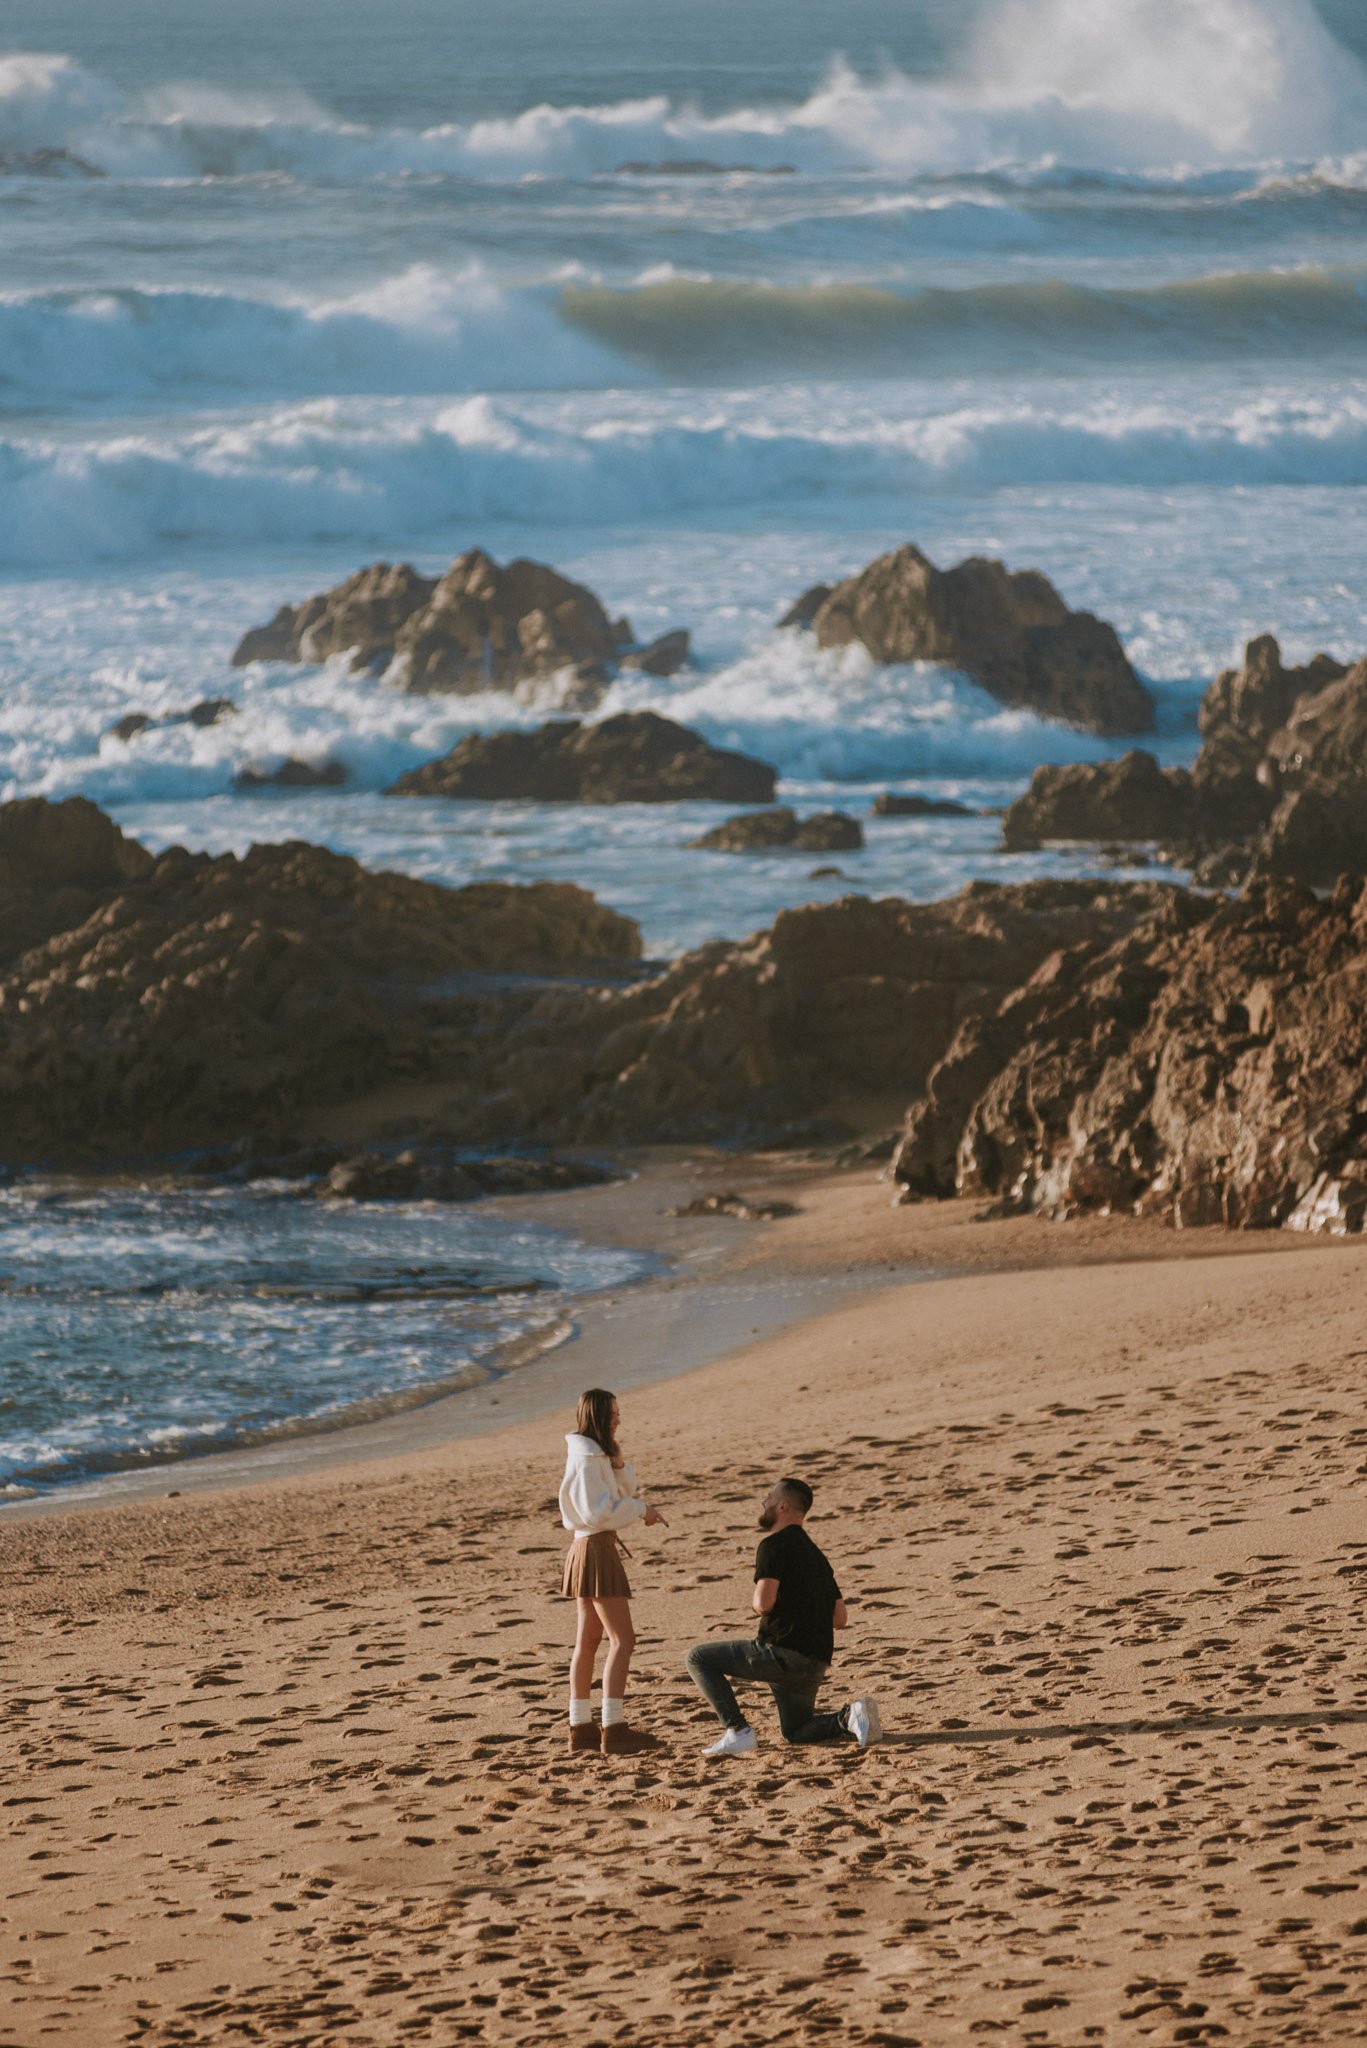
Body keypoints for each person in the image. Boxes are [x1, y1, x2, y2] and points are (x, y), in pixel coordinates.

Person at [684, 1475, 882, 1756]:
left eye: (769, 1497)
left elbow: (764, 1604)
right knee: (797, 1731)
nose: (764, 1501)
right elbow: (839, 1617)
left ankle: (737, 1730)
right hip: (815, 1659)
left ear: (783, 1506)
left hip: (782, 1652)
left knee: (697, 1657)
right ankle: (849, 1716)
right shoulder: (817, 1555)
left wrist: (762, 1607)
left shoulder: (773, 1545)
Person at [559, 1387, 666, 1756]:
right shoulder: (588, 1459)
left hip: (588, 1548)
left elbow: (619, 1494)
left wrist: (619, 1465)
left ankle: (581, 1729)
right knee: (623, 1640)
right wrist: (639, 1510)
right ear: (599, 1417)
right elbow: (598, 1513)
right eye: (614, 1414)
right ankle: (614, 1729)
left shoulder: (596, 1456)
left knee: (589, 1641)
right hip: (595, 1548)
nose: (619, 1419)